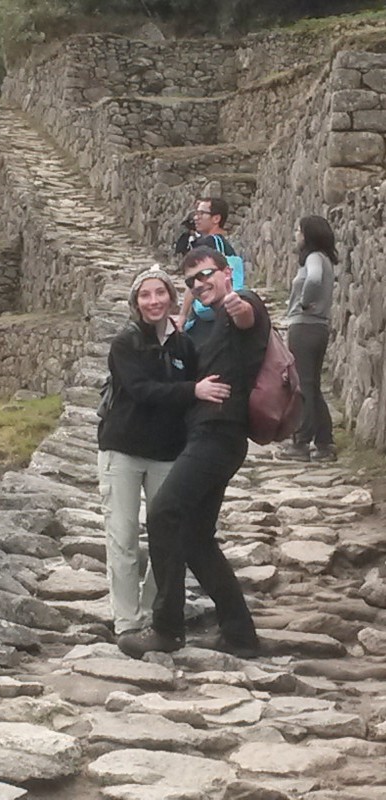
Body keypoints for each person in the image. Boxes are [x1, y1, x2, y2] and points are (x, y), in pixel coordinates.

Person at [119, 247, 271, 660]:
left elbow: (246, 314)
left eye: (206, 274)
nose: (200, 284)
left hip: (217, 435)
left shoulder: (241, 304)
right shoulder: (209, 323)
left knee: (164, 513)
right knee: (196, 538)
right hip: (209, 437)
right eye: (191, 281)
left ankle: (167, 628)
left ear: (226, 272)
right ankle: (240, 634)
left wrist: (237, 303)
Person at [97, 265, 231, 652]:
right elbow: (142, 390)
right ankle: (126, 621)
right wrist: (193, 390)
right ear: (136, 302)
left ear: (172, 299)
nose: (153, 301)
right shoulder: (125, 344)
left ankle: (154, 613)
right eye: (145, 295)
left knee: (166, 538)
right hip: (122, 449)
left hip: (167, 453)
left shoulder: (184, 347)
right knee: (122, 537)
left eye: (160, 293)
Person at [277, 215, 338, 463]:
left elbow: (313, 279)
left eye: (298, 230)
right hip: (319, 328)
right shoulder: (325, 259)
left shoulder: (313, 258)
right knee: (312, 385)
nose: (295, 235)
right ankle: (325, 442)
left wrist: (304, 302)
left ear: (307, 235)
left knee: (302, 385)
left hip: (305, 326)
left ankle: (301, 442)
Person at [177, 197, 244, 348]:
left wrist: (182, 316)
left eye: (202, 213)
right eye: (196, 213)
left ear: (216, 219)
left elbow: (195, 281)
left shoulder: (208, 244)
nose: (196, 217)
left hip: (209, 315)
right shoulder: (224, 244)